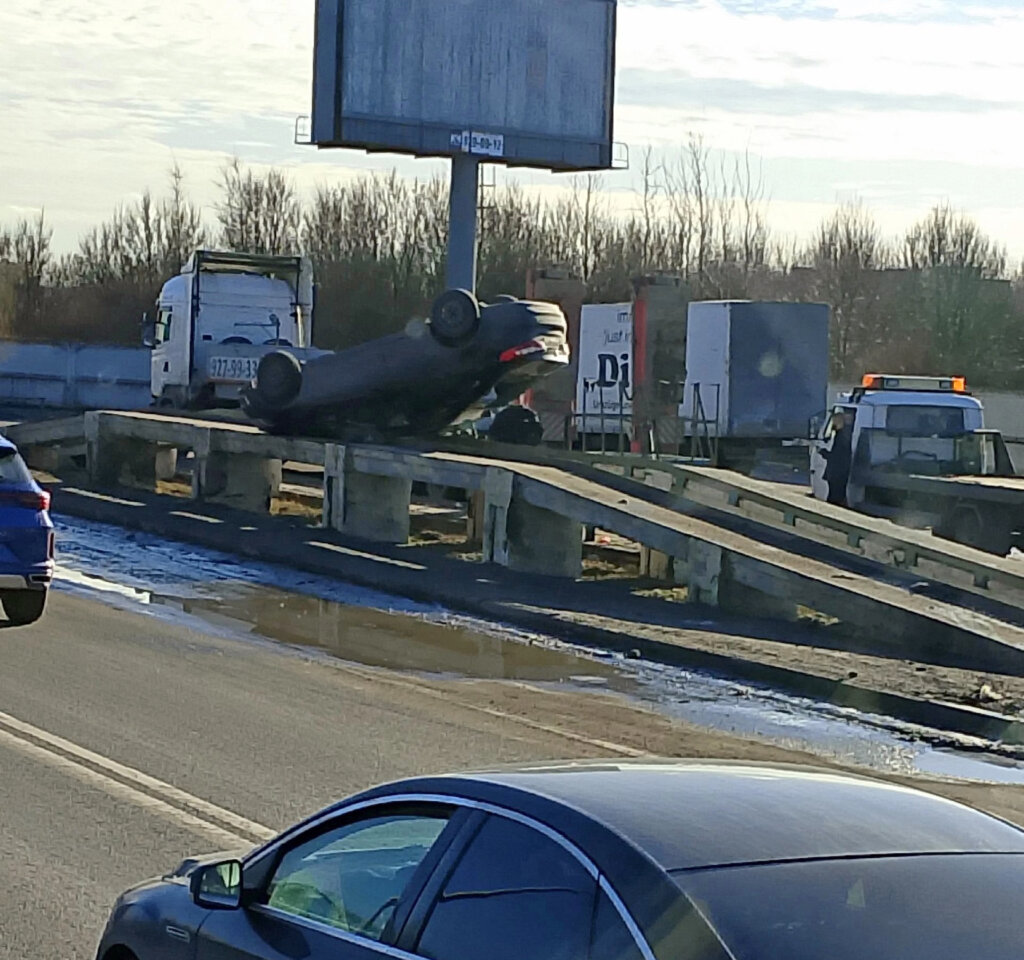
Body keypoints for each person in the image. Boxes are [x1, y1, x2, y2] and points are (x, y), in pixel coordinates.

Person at [822, 410, 853, 506]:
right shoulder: (842, 434)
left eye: (835, 420)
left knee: (835, 497)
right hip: (838, 472)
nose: (833, 423)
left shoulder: (842, 436)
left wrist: (824, 453)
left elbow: (839, 455)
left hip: (838, 473)